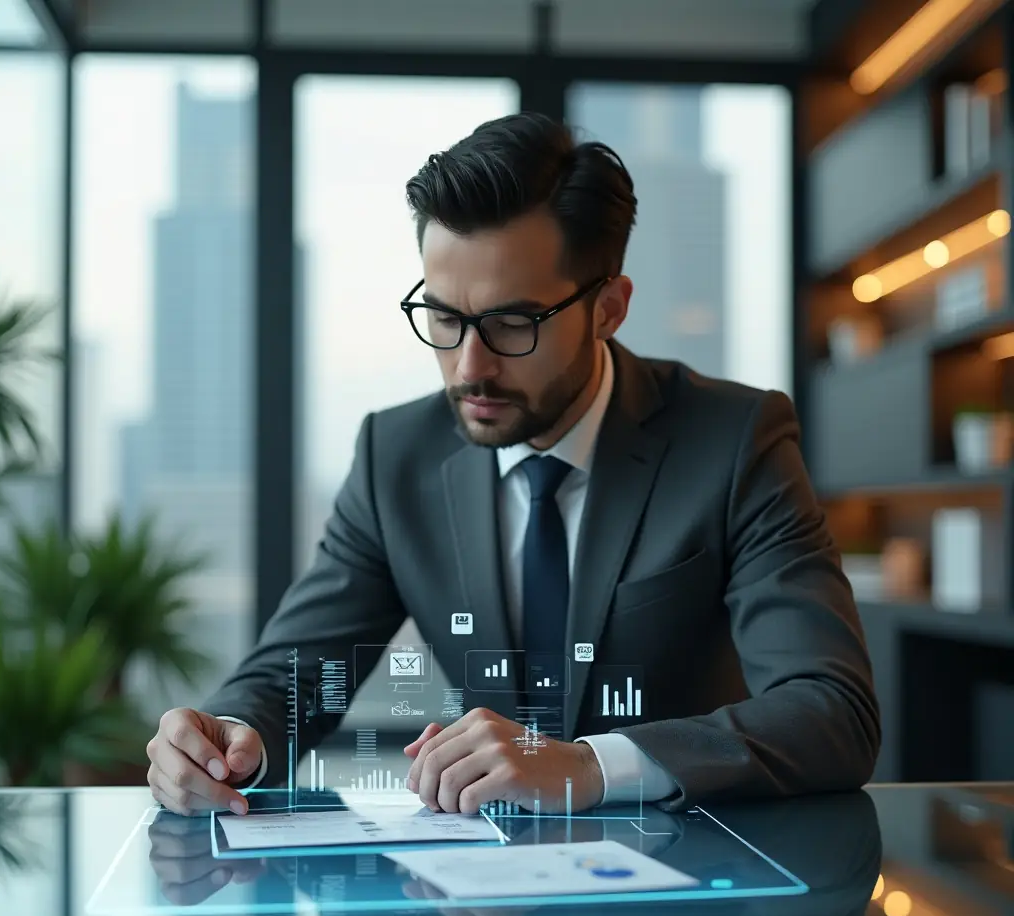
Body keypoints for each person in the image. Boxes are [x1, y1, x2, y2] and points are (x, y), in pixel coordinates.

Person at [146, 111, 880, 819]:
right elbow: (295, 674)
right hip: (483, 904)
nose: (470, 367)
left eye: (512, 323)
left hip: (695, 885)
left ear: (609, 309)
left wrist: (591, 766)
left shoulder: (732, 441)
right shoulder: (393, 457)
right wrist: (227, 738)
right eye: (443, 317)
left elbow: (831, 711)